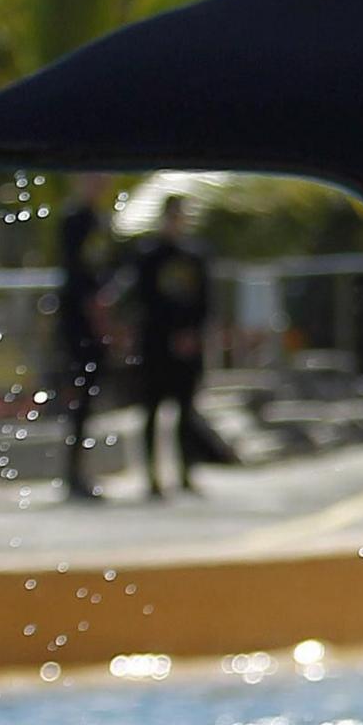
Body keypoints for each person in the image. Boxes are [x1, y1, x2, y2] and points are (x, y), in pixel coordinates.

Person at [118, 196, 214, 500]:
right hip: (156, 345)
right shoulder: (148, 257)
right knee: (152, 412)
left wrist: (192, 334)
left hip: (187, 347)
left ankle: (186, 472)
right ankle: (151, 475)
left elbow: (204, 302)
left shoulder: (195, 258)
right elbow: (144, 301)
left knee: (185, 413)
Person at [50, 175, 115, 503]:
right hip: (78, 322)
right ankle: (73, 474)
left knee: (90, 400)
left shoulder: (100, 221)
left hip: (94, 322)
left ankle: (82, 470)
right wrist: (96, 316)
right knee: (77, 398)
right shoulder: (75, 220)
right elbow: (78, 276)